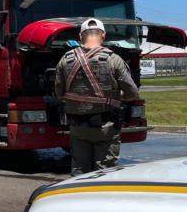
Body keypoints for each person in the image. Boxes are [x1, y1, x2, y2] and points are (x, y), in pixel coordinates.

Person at [54, 18, 140, 176]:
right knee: (105, 173)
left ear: (81, 37)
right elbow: (133, 93)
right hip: (105, 128)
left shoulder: (65, 60)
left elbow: (59, 93)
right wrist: (118, 97)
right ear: (103, 35)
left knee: (79, 172)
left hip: (78, 127)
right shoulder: (114, 59)